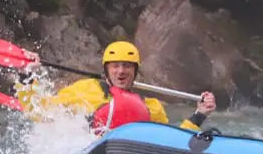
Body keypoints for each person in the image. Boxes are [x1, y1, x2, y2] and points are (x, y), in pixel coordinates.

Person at [16, 41, 216, 133]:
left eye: (127, 66)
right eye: (115, 66)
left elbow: (170, 143)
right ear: (107, 70)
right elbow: (39, 111)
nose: (121, 71)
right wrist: (26, 76)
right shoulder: (86, 89)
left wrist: (199, 115)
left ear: (135, 71)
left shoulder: (152, 107)